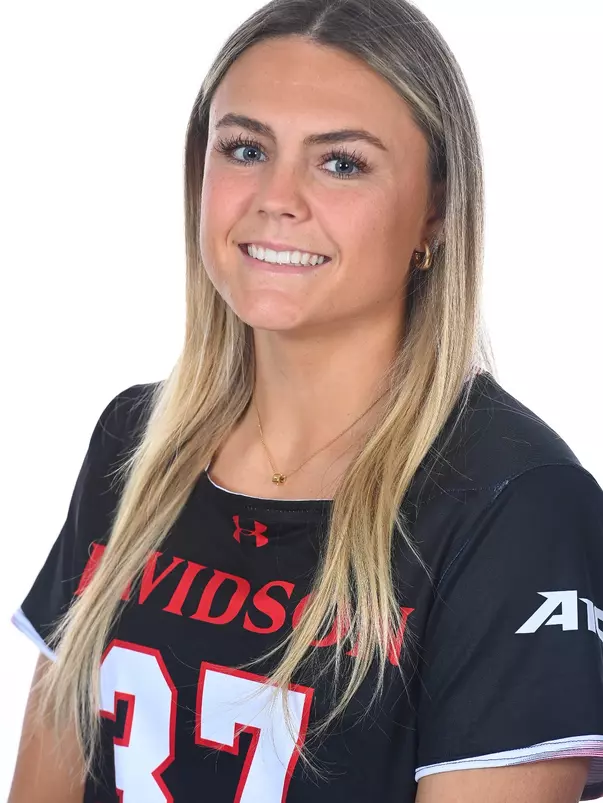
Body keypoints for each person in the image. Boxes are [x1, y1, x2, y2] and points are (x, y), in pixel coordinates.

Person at [8, 0, 603, 801]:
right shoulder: (134, 443)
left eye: (342, 163)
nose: (274, 197)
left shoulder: (516, 503)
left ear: (435, 208)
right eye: (245, 149)